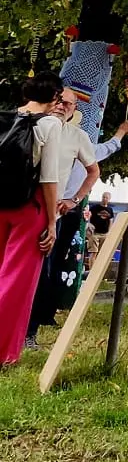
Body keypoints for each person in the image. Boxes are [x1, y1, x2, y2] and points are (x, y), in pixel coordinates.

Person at [25, 86, 102, 344]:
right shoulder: (32, 125)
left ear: (74, 110)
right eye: (59, 101)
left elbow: (93, 171)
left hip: (49, 215)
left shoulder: (77, 136)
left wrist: (74, 199)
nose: (61, 106)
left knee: (41, 275)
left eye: (68, 104)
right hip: (18, 206)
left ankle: (29, 333)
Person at [0, 76, 63, 366]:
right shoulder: (51, 125)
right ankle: (5, 352)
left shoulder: (6, 116)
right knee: (16, 282)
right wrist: (52, 222)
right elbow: (49, 179)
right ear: (54, 97)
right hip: (30, 207)